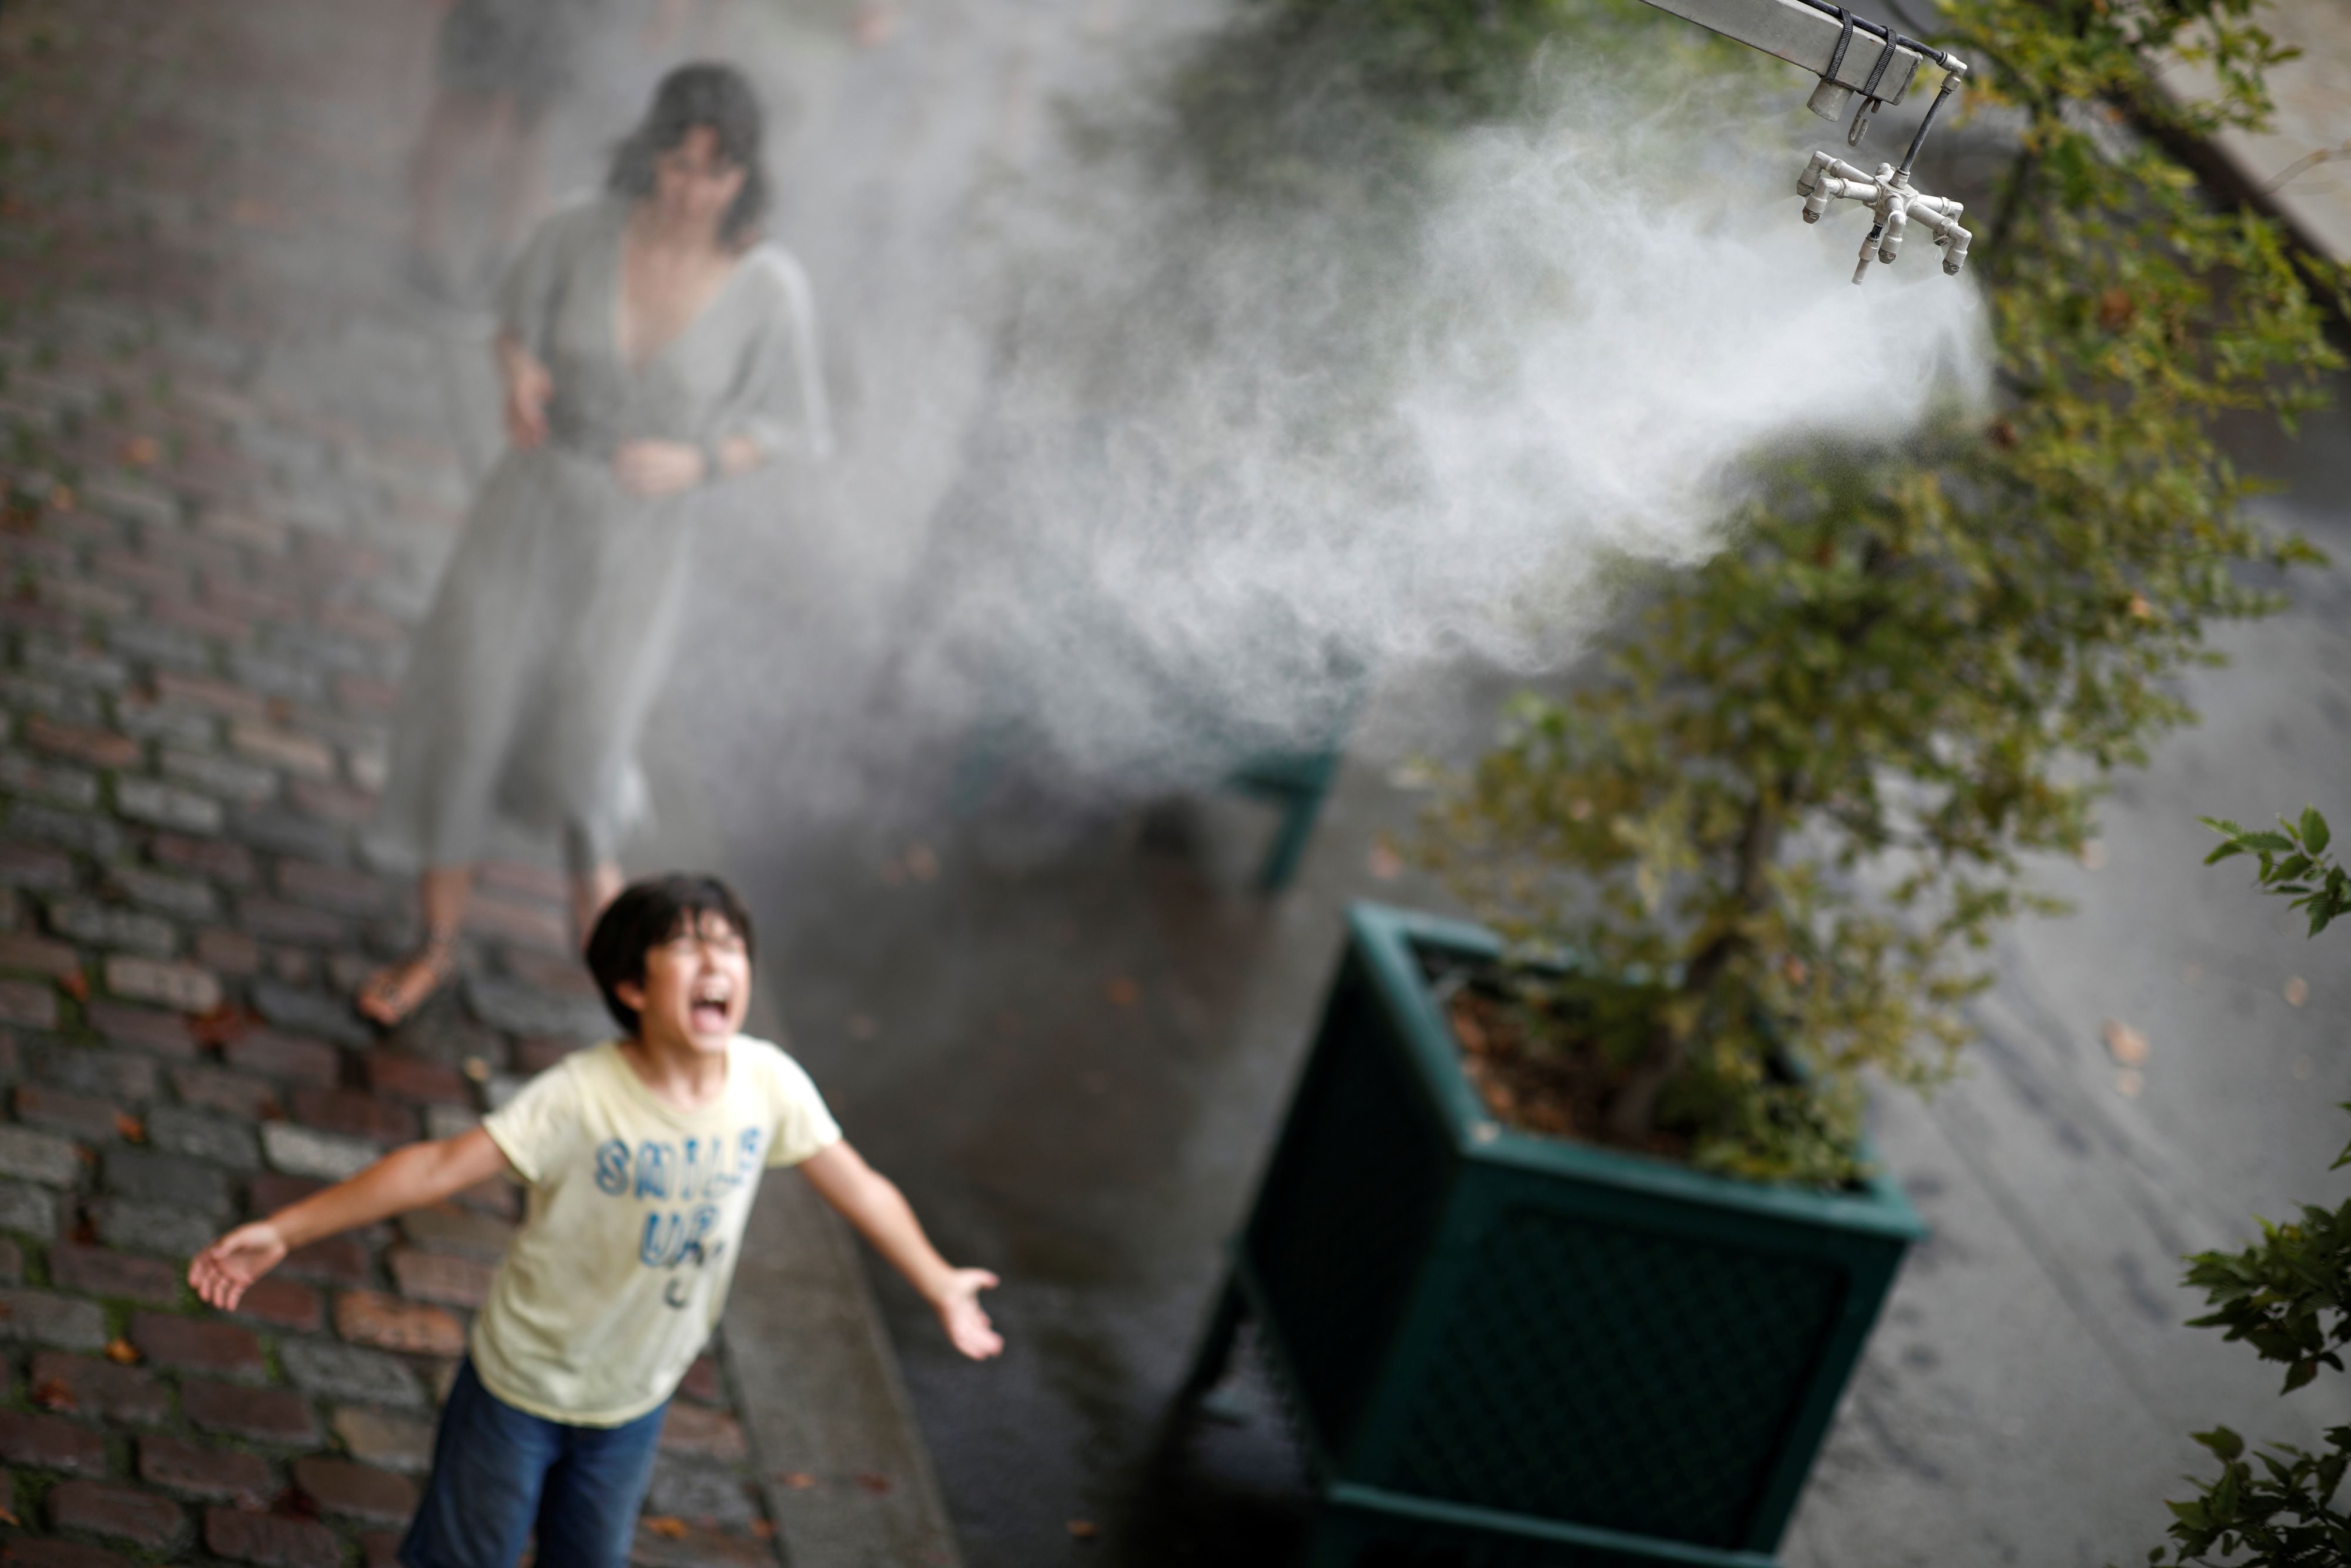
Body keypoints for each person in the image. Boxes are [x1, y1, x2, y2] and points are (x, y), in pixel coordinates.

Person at [191, 875, 998, 1567]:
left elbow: (858, 1185)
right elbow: (436, 1167)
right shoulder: (579, 1098)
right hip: (521, 1386)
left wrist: (939, 1281)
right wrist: (287, 1229)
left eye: (729, 945)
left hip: (633, 1398)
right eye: (686, 948)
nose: (716, 962)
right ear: (632, 988)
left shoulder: (768, 1085)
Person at [364, 63, 830, 1026]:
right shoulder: (582, 230)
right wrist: (519, 375)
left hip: (639, 544)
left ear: (745, 177)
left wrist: (700, 463)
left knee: (590, 737)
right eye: (678, 160)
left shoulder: (768, 288)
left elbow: (792, 426)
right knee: (472, 708)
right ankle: (435, 942)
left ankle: (618, 960)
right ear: (650, 151)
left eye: (715, 170)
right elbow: (511, 322)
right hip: (529, 508)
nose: (690, 188)